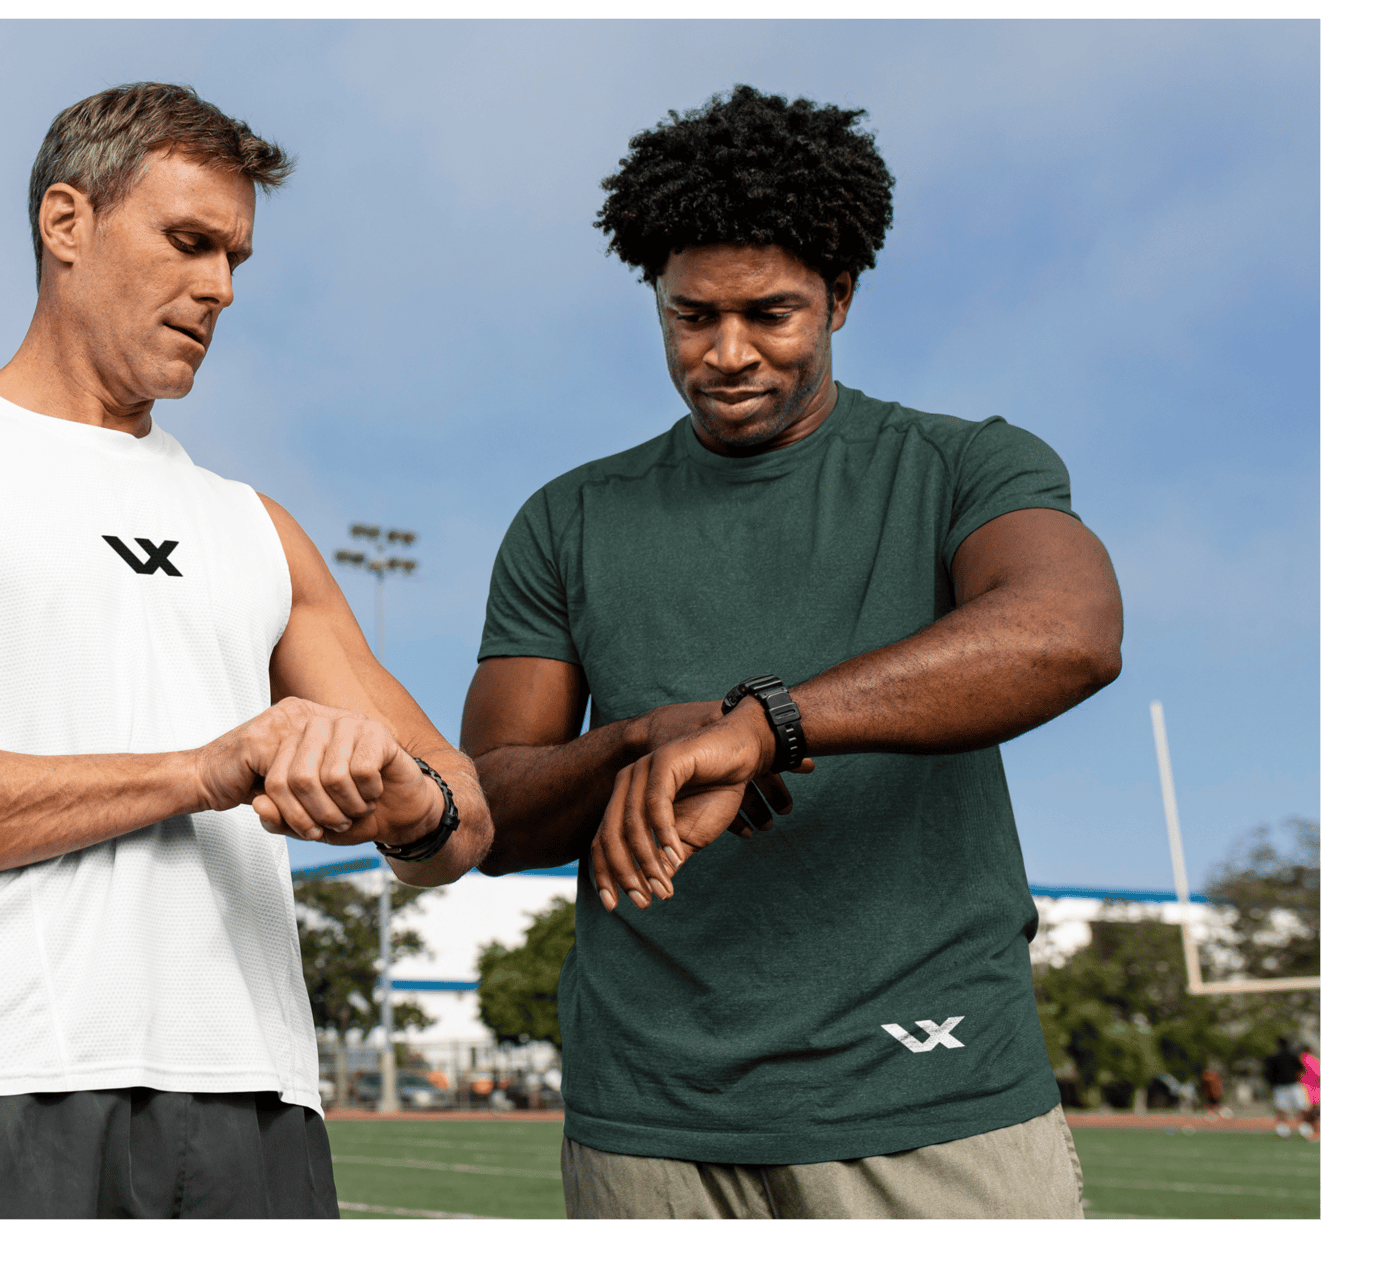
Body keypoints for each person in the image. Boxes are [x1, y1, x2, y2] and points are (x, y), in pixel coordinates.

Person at [0, 83, 491, 1220]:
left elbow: (464, 812)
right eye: (189, 242)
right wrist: (198, 772)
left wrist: (401, 797)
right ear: (67, 222)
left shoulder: (257, 525)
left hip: (259, 1103)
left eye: (237, 258)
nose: (220, 288)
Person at [462, 85, 1123, 1220]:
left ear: (843, 297)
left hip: (931, 1091)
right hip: (647, 1121)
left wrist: (763, 724)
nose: (725, 353)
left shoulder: (964, 465)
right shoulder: (567, 518)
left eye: (770, 313)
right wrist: (637, 739)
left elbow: (1068, 629)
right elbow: (488, 811)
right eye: (690, 316)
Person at [1265, 1037, 1309, 1138]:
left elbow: (1268, 1073)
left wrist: (1271, 1084)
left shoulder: (1273, 1057)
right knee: (1301, 1108)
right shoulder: (1293, 1055)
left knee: (1281, 1109)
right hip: (1293, 1085)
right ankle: (1304, 1129)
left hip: (1281, 1087)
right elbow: (1301, 1068)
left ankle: (1283, 1130)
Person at [1298, 1043, 1321, 1139]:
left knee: (1309, 1113)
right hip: (1316, 1089)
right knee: (1314, 1113)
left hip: (1306, 1089)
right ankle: (1314, 1132)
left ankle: (1314, 1132)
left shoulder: (1302, 1059)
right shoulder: (1315, 1059)